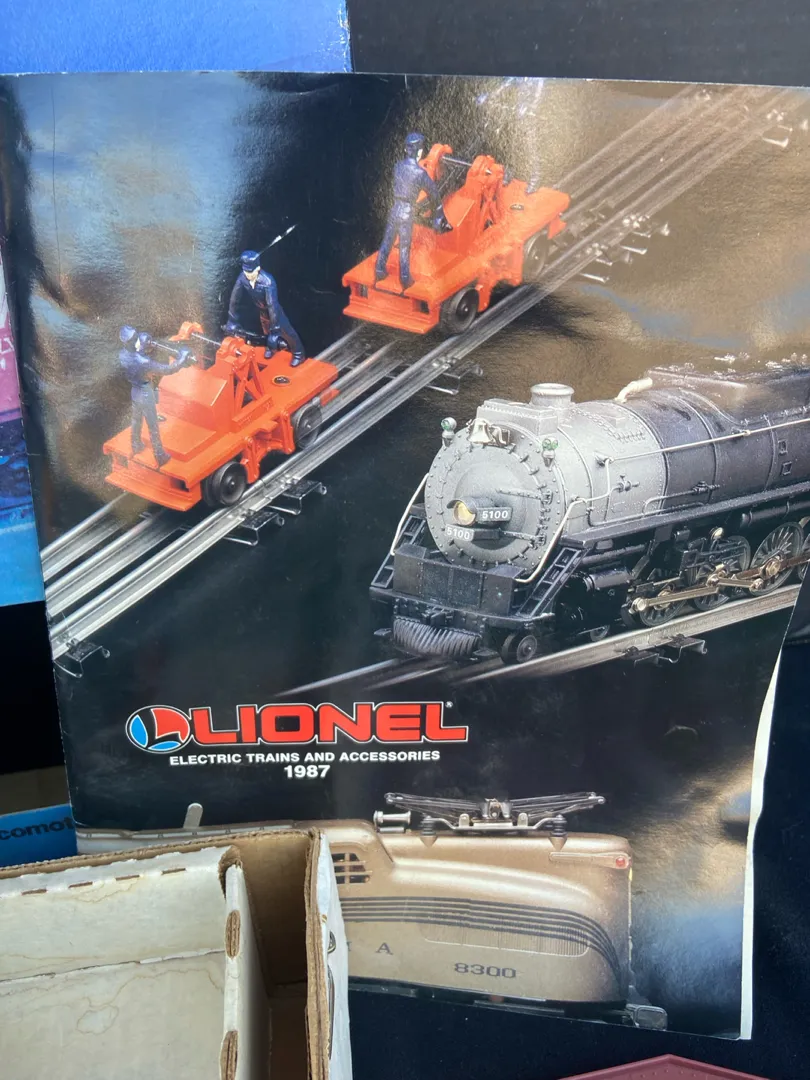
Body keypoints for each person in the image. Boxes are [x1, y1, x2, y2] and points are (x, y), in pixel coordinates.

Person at [375, 132, 452, 290]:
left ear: (406, 149)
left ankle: (379, 270)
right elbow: (434, 194)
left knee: (387, 241)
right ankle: (405, 278)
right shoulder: (420, 173)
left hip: (395, 208)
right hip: (407, 211)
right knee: (404, 245)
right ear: (419, 152)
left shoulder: (398, 166)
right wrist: (438, 216)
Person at [119, 326, 190, 467]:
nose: (138, 338)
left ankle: (136, 444)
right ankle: (160, 455)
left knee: (136, 419)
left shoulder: (123, 354)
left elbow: (135, 357)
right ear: (130, 342)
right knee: (153, 425)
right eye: (135, 338)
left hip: (135, 390)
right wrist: (182, 357)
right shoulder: (143, 362)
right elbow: (168, 369)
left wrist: (141, 349)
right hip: (145, 392)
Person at [226, 251, 306, 367]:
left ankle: (299, 354)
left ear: (258, 269)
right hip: (262, 311)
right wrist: (232, 319)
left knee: (288, 333)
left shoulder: (268, 282)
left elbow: (272, 305)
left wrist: (275, 330)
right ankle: (271, 348)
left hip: (275, 313)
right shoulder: (243, 278)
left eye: (251, 272)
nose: (248, 275)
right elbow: (235, 298)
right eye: (246, 272)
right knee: (266, 331)